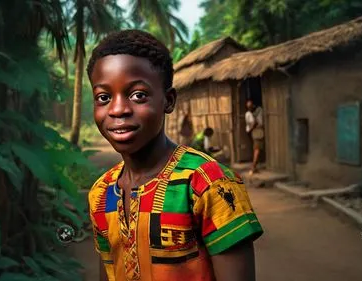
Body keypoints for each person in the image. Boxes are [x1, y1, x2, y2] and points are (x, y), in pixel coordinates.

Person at [87, 29, 263, 281]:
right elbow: (109, 271)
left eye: (138, 95)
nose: (118, 110)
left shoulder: (208, 184)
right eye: (103, 97)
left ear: (168, 100)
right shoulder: (101, 194)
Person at [245, 100, 264, 175]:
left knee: (257, 149)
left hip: (258, 131)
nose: (249, 108)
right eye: (248, 107)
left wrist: (251, 129)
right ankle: (254, 167)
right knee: (257, 149)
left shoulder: (258, 111)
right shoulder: (251, 113)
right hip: (256, 132)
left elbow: (256, 123)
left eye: (250, 106)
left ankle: (254, 167)